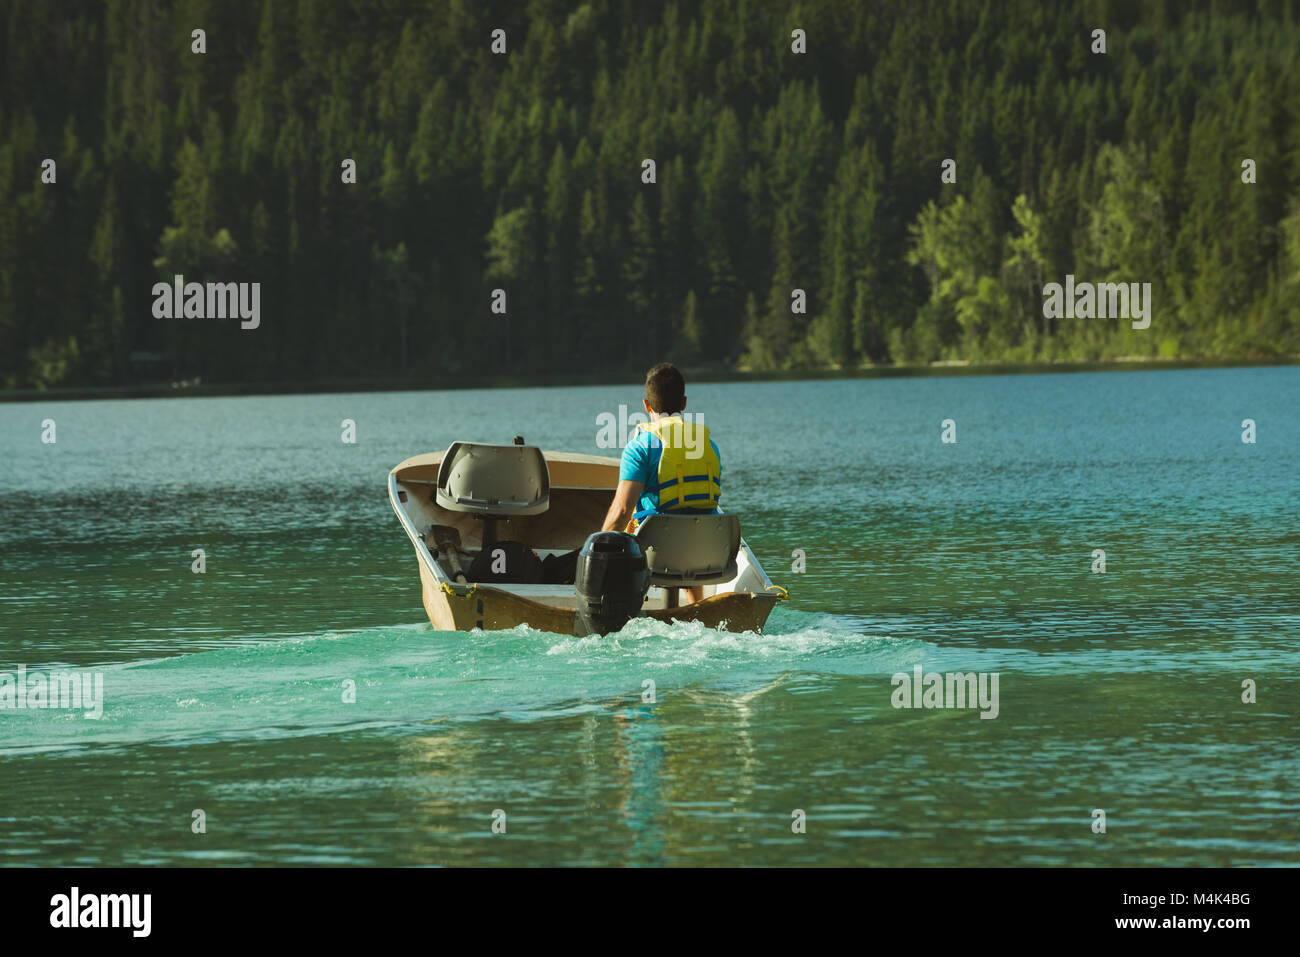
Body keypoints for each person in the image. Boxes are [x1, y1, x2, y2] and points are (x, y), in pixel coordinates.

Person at [601, 362, 722, 604]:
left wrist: (596, 547)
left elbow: (622, 511)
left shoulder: (639, 447)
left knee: (612, 541)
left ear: (646, 405)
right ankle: (696, 609)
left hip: (656, 556)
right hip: (705, 553)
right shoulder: (709, 445)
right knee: (688, 523)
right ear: (684, 402)